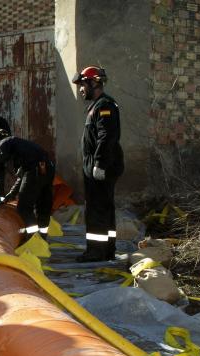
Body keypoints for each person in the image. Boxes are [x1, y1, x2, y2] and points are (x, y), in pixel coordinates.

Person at [72, 65, 123, 262]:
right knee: (105, 208)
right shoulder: (97, 105)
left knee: (96, 210)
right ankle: (107, 250)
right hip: (98, 165)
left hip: (101, 166)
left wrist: (99, 164)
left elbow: (106, 137)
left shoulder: (104, 106)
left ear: (94, 83)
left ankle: (96, 252)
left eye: (83, 85)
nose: (81, 89)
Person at [0, 129, 56, 239]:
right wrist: (11, 195)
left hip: (34, 170)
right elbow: (22, 178)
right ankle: (42, 239)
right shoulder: (22, 148)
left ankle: (33, 240)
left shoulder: (5, 142)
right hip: (48, 169)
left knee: (24, 207)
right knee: (42, 207)